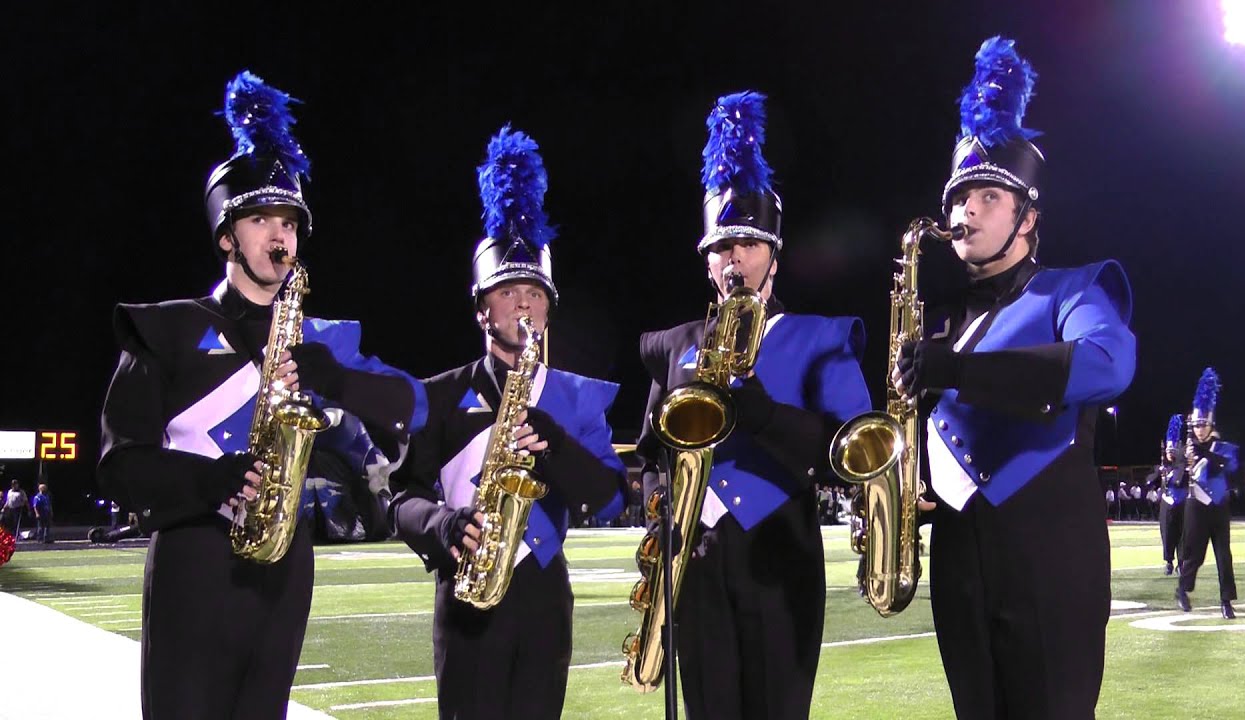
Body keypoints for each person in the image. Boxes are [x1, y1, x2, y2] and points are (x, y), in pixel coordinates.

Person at [97, 71, 426, 720]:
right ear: (226, 234)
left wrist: (340, 395)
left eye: (290, 224)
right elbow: (118, 463)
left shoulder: (320, 341)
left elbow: (400, 427)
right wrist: (211, 480)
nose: (280, 237)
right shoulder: (167, 328)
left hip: (285, 569)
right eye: (261, 220)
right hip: (194, 564)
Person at [892, 38, 1136, 719]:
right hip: (959, 560)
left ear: (1028, 217)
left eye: (986, 195)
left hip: (1051, 555)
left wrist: (960, 372)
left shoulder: (1074, 290)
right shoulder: (934, 323)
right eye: (959, 195)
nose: (964, 210)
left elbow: (1108, 364)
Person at [635, 91, 872, 720]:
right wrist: (658, 503)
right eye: (720, 247)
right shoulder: (675, 346)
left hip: (780, 552)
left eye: (746, 244)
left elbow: (850, 452)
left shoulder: (821, 337)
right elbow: (652, 452)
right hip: (697, 559)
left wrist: (763, 415)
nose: (732, 258)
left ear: (774, 251)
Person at [388, 126, 627, 719]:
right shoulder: (437, 396)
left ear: (549, 306)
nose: (523, 304)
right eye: (508, 290)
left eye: (535, 293)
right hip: (466, 593)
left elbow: (612, 496)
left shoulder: (575, 397)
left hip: (545, 600)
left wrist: (555, 442)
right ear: (481, 307)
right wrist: (443, 525)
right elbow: (399, 498)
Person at [1176, 368, 1240, 619]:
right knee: (1194, 555)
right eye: (1196, 424)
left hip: (1220, 506)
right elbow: (1179, 478)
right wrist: (1184, 463)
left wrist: (1202, 454)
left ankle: (1226, 601)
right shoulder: (1186, 449)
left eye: (1204, 424)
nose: (1200, 429)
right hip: (1196, 507)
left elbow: (1227, 466)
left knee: (1224, 555)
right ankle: (1182, 589)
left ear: (1211, 424)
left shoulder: (1224, 448)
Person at [1154, 413, 1188, 575]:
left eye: (1172, 451)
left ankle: (1181, 563)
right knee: (1167, 533)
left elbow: (1181, 479)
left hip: (1182, 502)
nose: (1170, 453)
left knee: (1182, 534)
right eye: (1168, 451)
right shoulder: (1164, 467)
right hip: (1167, 503)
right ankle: (1169, 561)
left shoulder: (1182, 466)